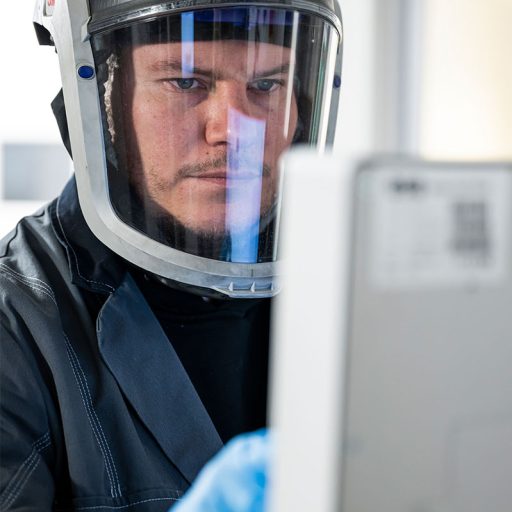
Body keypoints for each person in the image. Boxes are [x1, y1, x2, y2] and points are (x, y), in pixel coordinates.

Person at [0, 0, 342, 510]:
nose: (234, 129)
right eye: (186, 82)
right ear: (101, 99)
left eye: (266, 85)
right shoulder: (17, 323)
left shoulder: (356, 300)